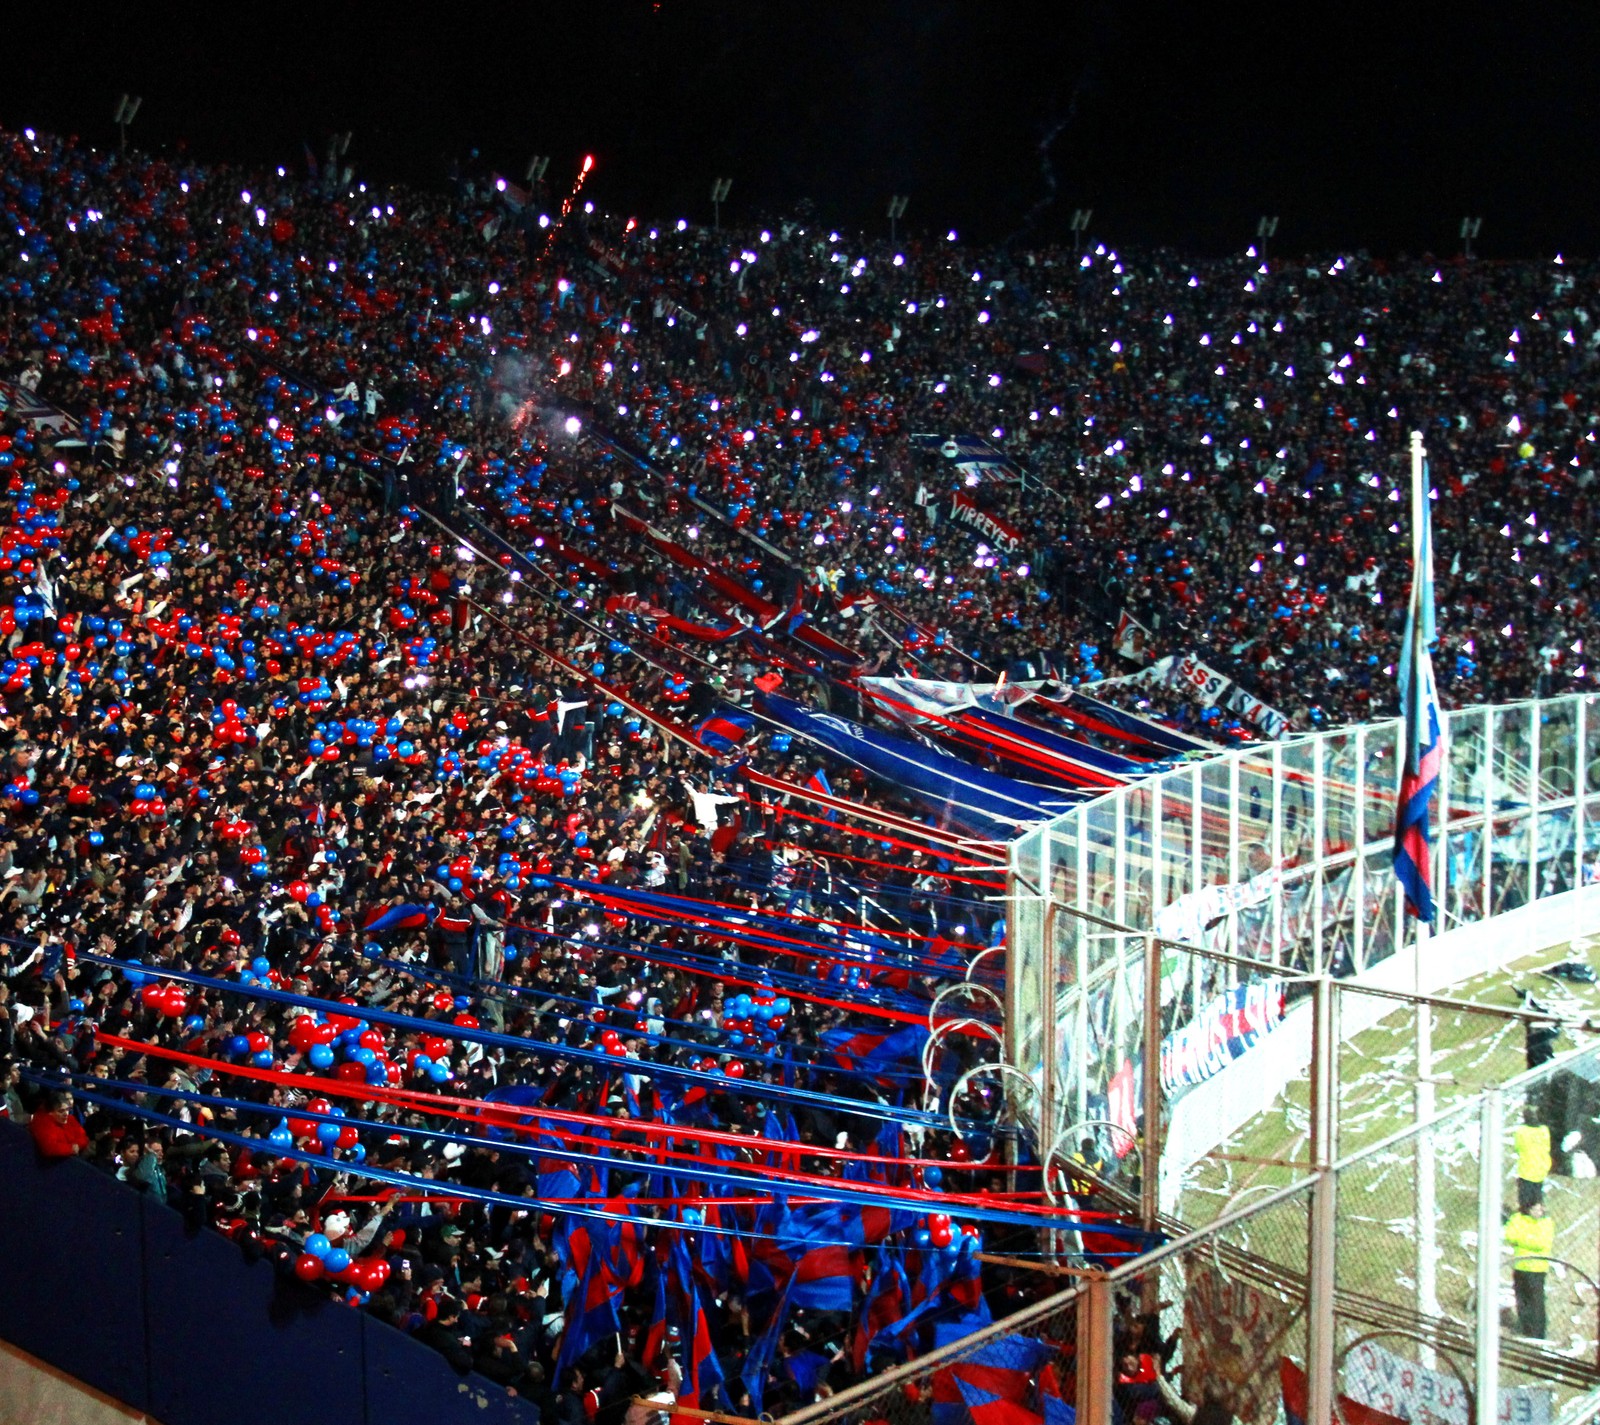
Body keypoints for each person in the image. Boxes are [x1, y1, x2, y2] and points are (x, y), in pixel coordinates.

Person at [1505, 1201, 1555, 1339]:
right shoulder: (1517, 1218)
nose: (1539, 1212)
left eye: (1541, 1209)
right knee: (1522, 1299)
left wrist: (1522, 1238)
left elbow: (1542, 1243)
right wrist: (1529, 1238)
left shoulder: (1546, 1223)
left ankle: (1538, 1332)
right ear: (1529, 1209)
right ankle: (1525, 1327)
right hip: (1520, 1266)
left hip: (1537, 1269)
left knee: (1536, 1301)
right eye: (1535, 1209)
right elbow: (1510, 1235)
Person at [29, 1090, 88, 1158]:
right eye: (61, 1111)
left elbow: (84, 1138)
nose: (66, 1114)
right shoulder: (42, 1124)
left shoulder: (70, 1119)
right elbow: (49, 1148)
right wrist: (70, 1148)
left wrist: (76, 1146)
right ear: (50, 1113)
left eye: (67, 1109)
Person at [1514, 1107, 1552, 1211]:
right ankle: (1537, 1209)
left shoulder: (1522, 1131)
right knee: (1537, 1196)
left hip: (1527, 1170)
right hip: (1541, 1169)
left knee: (1525, 1201)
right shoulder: (1544, 1130)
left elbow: (1518, 1147)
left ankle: (1526, 1213)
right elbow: (1547, 1146)